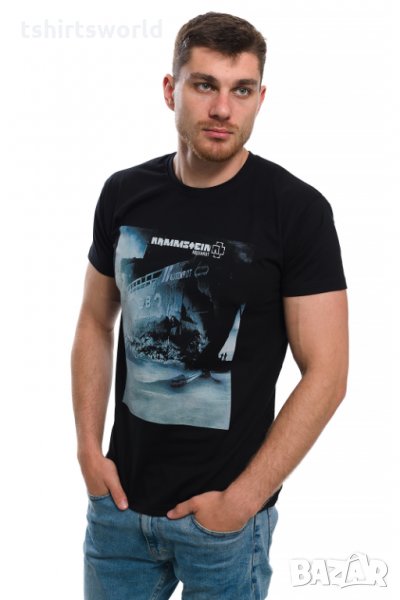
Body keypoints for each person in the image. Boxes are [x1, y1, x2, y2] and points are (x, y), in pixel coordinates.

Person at [71, 11, 348, 600]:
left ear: (260, 99)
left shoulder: (296, 211)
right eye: (204, 85)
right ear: (170, 90)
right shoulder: (124, 193)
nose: (223, 108)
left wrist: (242, 501)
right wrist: (89, 451)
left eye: (241, 90)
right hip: (120, 510)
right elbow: (96, 320)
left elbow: (328, 373)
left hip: (225, 528)